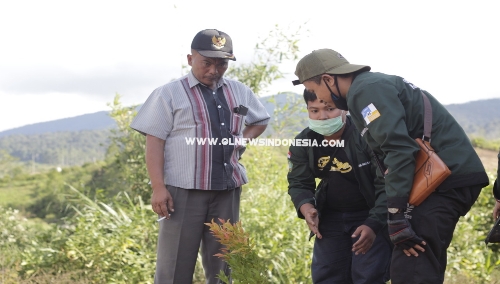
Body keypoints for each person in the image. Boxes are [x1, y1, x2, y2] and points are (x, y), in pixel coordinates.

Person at [292, 49, 489, 284]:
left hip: (443, 180)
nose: (320, 98)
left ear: (327, 78)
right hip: (442, 180)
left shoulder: (364, 90)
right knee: (415, 266)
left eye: (315, 90)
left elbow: (399, 150)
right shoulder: (369, 86)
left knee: (412, 268)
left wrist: (395, 215)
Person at [130, 29, 270, 284]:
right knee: (174, 268)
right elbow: (154, 142)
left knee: (224, 265)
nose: (214, 70)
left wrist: (241, 141)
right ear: (190, 58)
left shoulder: (239, 91)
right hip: (182, 194)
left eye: (222, 63)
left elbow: (260, 120)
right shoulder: (169, 93)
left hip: (227, 190)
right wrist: (158, 188)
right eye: (207, 62)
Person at [287, 89, 392, 283]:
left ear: (344, 108)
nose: (323, 117)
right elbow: (298, 181)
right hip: (330, 218)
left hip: (368, 216)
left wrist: (374, 224)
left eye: (330, 108)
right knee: (327, 275)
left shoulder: (366, 137)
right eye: (314, 111)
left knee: (368, 275)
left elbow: (386, 185)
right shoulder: (304, 141)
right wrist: (307, 207)